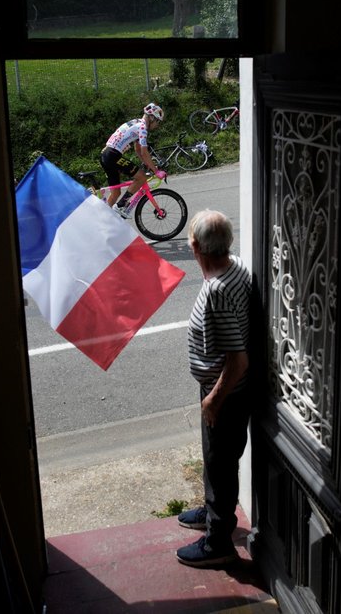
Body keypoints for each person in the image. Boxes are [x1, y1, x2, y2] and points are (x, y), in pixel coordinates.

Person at [175, 209, 253, 568]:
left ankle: (218, 541)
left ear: (195, 247)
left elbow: (238, 360)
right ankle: (211, 513)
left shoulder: (219, 290)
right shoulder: (234, 266)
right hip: (224, 390)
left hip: (226, 393)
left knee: (221, 466)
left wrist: (212, 399)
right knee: (214, 460)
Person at [100, 102, 167, 215]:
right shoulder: (142, 128)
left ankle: (104, 218)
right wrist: (156, 171)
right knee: (141, 177)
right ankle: (120, 206)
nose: (157, 125)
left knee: (116, 192)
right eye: (157, 121)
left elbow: (137, 149)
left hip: (106, 154)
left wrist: (147, 164)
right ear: (151, 118)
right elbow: (144, 152)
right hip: (112, 155)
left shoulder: (136, 122)